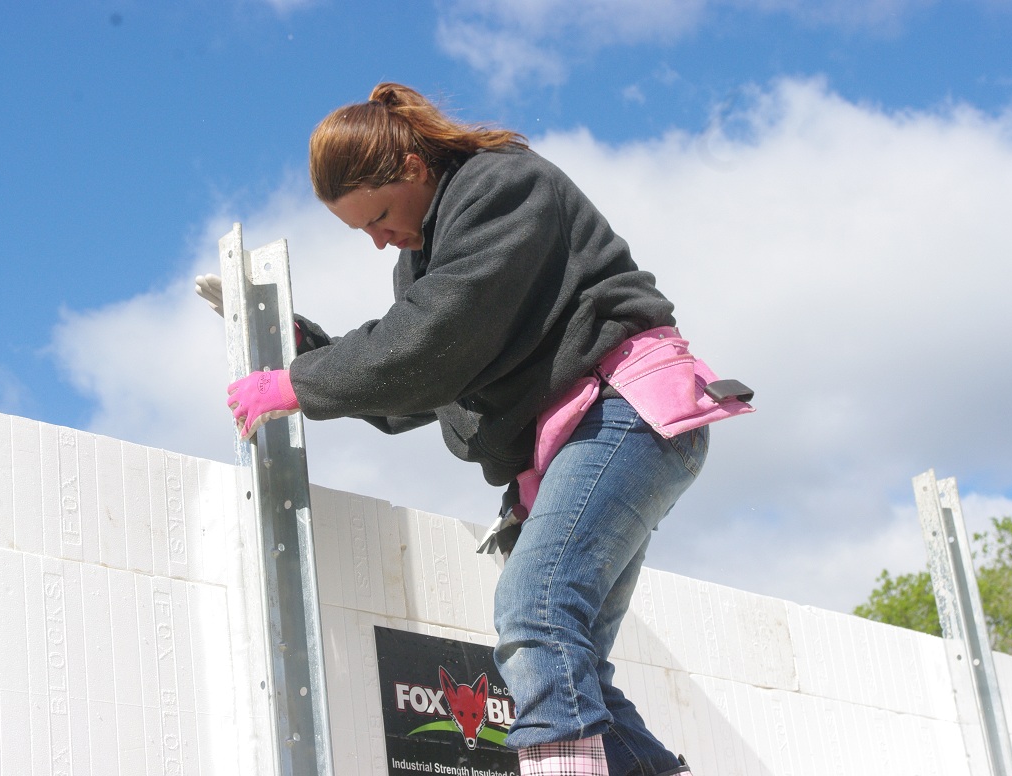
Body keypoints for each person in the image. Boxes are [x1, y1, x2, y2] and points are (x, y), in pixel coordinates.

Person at [213, 82, 752, 776]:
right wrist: (311, 354)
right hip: (588, 435)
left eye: (377, 217)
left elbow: (439, 331)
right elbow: (423, 382)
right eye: (364, 233)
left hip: (625, 409)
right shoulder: (427, 252)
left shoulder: (501, 187)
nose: (380, 242)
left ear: (412, 169)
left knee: (536, 610)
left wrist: (300, 384)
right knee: (572, 660)